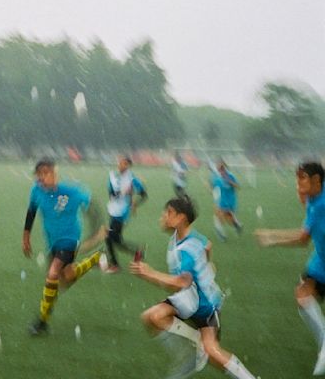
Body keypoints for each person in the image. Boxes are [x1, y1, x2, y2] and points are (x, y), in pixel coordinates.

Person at [130, 195, 256, 378]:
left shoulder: (185, 249)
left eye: (168, 213)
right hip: (188, 299)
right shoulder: (186, 236)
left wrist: (148, 273)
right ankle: (193, 350)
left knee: (213, 352)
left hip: (205, 305)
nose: (163, 216)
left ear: (181, 218)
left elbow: (182, 282)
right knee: (151, 317)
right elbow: (207, 246)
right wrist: (208, 268)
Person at [255, 161, 325, 375]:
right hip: (321, 260)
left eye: (302, 178)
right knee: (303, 295)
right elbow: (307, 233)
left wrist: (272, 238)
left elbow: (303, 239)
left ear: (316, 180)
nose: (297, 184)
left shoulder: (320, 203)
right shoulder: (313, 200)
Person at [22, 158, 106, 335]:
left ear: (54, 173)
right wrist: (26, 236)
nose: (41, 179)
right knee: (65, 278)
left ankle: (42, 323)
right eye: (38, 175)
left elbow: (92, 207)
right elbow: (31, 212)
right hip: (52, 240)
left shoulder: (72, 191)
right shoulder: (36, 191)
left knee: (52, 274)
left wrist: (97, 231)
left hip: (70, 239)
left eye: (45, 174)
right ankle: (94, 260)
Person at [105, 155, 148, 273]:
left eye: (123, 163)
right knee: (115, 240)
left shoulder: (133, 179)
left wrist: (135, 203)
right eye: (119, 162)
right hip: (113, 211)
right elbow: (111, 194)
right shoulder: (113, 177)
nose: (120, 165)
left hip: (122, 213)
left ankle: (115, 265)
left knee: (109, 238)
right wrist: (119, 193)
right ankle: (137, 251)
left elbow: (144, 194)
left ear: (128, 165)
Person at [212, 160, 242, 240]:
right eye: (219, 169)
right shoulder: (218, 178)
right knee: (223, 217)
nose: (221, 171)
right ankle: (236, 225)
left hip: (231, 201)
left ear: (225, 169)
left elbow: (238, 186)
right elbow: (214, 187)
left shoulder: (231, 176)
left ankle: (222, 233)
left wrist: (230, 182)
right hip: (222, 201)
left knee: (223, 217)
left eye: (222, 169)